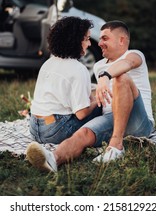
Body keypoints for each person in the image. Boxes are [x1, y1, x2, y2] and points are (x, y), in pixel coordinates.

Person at [26, 20, 154, 171]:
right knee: (83, 133)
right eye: (99, 38)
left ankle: (116, 146)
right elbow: (96, 94)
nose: (99, 43)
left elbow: (128, 64)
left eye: (105, 38)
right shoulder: (98, 65)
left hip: (137, 119)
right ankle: (53, 159)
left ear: (122, 40)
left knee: (121, 78)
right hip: (110, 118)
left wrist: (106, 76)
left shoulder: (134, 55)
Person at [28, 16, 102, 150]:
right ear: (75, 41)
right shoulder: (78, 68)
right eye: (86, 39)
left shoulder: (48, 63)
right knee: (102, 107)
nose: (90, 44)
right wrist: (98, 101)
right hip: (54, 132)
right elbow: (81, 113)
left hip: (34, 128)